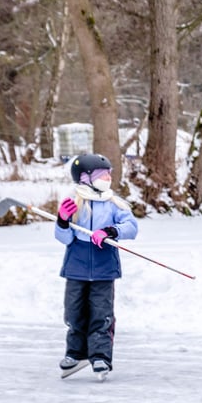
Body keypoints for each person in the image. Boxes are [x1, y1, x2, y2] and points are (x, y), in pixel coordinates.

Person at [54, 154, 139, 381]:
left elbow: (131, 226)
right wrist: (63, 220)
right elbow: (63, 238)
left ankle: (100, 356)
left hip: (104, 268)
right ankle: (76, 354)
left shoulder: (113, 203)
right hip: (76, 267)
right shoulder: (74, 201)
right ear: (85, 177)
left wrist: (111, 231)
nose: (108, 178)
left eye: (109, 174)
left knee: (101, 315)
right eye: (103, 174)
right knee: (74, 313)